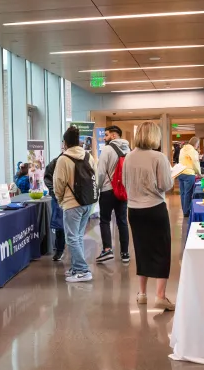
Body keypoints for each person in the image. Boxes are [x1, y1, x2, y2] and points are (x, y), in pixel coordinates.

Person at [123, 121, 175, 311]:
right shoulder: (159, 157)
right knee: (162, 249)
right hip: (154, 208)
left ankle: (142, 294)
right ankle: (160, 296)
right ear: (155, 136)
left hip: (134, 210)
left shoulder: (129, 157)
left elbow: (124, 181)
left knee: (141, 248)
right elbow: (165, 185)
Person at [54, 126, 97, 283]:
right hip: (87, 202)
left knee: (71, 237)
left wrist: (60, 200)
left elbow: (58, 183)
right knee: (77, 236)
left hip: (72, 204)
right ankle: (76, 268)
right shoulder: (88, 157)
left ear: (65, 143)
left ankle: (83, 270)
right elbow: (95, 179)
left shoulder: (63, 159)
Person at [96, 125, 130, 264]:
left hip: (107, 190)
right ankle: (125, 253)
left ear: (114, 136)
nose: (104, 137)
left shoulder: (107, 149)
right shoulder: (129, 150)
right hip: (122, 191)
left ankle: (107, 249)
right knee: (122, 221)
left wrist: (98, 188)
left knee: (105, 220)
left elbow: (101, 172)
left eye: (106, 135)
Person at [44, 147, 66, 262]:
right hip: (59, 198)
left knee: (75, 228)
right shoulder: (56, 161)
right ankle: (60, 249)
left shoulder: (83, 159)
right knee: (59, 225)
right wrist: (55, 192)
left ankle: (75, 255)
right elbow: (47, 177)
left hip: (76, 200)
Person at [178, 136, 201, 217]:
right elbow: (195, 163)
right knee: (188, 193)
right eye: (198, 144)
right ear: (196, 143)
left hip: (180, 173)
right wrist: (199, 173)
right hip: (189, 173)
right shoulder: (193, 151)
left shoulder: (182, 149)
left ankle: (184, 210)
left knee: (183, 193)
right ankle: (186, 211)